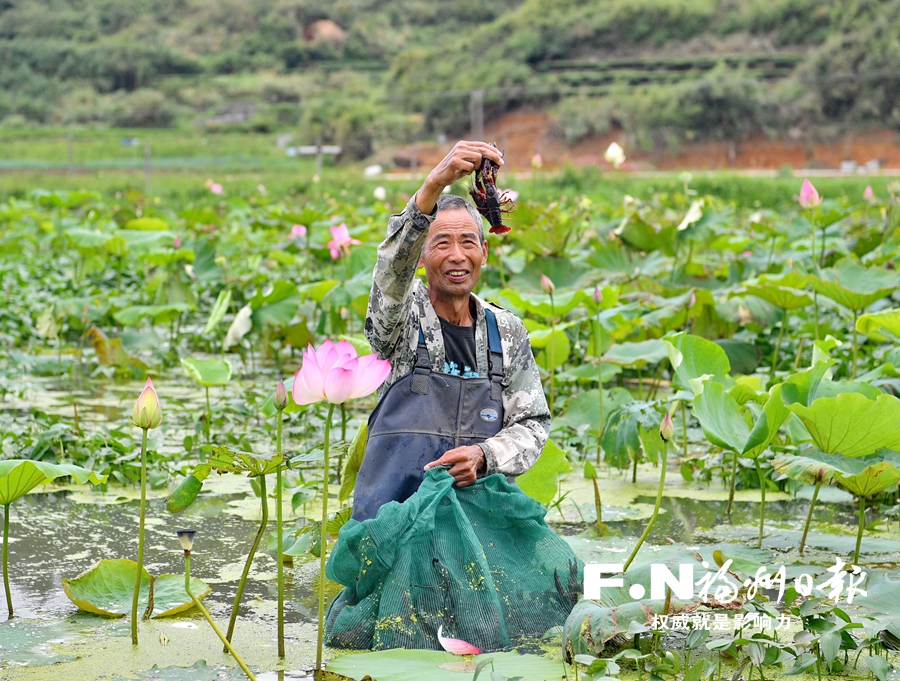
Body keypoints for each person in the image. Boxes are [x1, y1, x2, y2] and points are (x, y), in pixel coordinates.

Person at [350, 140, 551, 520]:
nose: (457, 255)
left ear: (484, 253)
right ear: (422, 256)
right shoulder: (400, 320)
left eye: (467, 243)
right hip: (395, 520)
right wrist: (434, 183)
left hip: (480, 521)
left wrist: (485, 456)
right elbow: (392, 272)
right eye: (441, 243)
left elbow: (533, 424)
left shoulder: (507, 332)